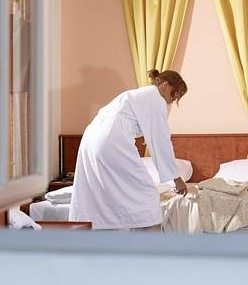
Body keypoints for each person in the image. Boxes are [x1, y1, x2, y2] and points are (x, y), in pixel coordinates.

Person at [69, 69, 188, 231]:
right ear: (166, 85)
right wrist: (177, 179)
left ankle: (102, 233)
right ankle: (150, 242)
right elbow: (161, 142)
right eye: (175, 94)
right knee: (148, 194)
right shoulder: (155, 99)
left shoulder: (138, 95)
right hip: (111, 141)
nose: (173, 99)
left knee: (102, 191)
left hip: (91, 138)